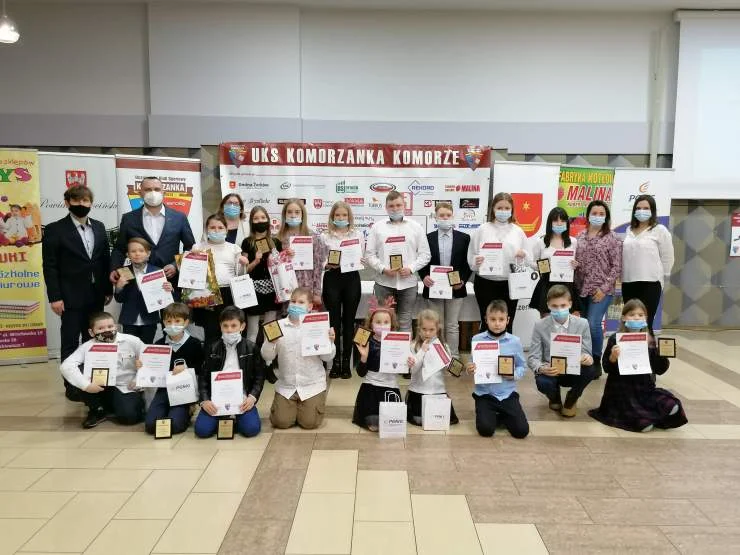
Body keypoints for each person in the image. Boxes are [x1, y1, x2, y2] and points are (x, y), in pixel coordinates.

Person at [589, 299, 687, 433]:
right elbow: (606, 367)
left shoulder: (650, 340)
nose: (636, 318)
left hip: (644, 390)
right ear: (624, 318)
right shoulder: (615, 338)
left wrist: (663, 354)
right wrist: (613, 357)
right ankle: (647, 417)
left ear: (645, 318)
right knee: (644, 426)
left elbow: (660, 370)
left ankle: (648, 415)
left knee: (673, 406)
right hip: (621, 392)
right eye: (632, 315)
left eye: (640, 315)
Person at [42, 186, 113, 365]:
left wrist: (108, 289)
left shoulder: (99, 226)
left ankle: (93, 376)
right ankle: (71, 380)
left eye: (85, 200)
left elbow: (105, 260)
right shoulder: (54, 229)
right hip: (69, 297)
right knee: (70, 341)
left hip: (96, 295)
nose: (81, 204)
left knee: (95, 339)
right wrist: (55, 297)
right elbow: (50, 266)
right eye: (76, 200)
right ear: (67, 203)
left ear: (90, 203)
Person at [261, 287, 336, 430]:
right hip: (287, 386)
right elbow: (267, 356)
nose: (295, 305)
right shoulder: (277, 326)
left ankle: (304, 408)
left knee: (309, 423)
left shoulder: (318, 326)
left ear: (310, 306)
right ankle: (291, 408)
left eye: (301, 302)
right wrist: (270, 343)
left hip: (312, 385)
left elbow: (327, 358)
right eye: (293, 301)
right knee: (281, 422)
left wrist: (330, 343)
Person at [60, 312, 144, 429]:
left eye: (110, 326)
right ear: (91, 332)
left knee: (129, 417)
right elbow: (66, 366)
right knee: (78, 372)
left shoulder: (132, 341)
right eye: (101, 328)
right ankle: (97, 409)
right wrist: (86, 386)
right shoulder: (88, 346)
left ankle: (111, 406)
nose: (107, 330)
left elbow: (148, 361)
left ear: (116, 327)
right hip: (98, 386)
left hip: (125, 387)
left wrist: (138, 379)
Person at [110, 176, 195, 288]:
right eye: (148, 189)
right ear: (140, 193)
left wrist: (176, 265)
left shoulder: (179, 217)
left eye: (157, 189)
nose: (153, 193)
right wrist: (114, 268)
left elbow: (190, 248)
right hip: (138, 283)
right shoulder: (129, 219)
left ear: (163, 193)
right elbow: (119, 249)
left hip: (170, 282)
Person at [365, 191, 431, 332]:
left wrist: (411, 269)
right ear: (386, 207)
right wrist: (383, 269)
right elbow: (369, 255)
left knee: (405, 321)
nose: (395, 209)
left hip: (408, 284)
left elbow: (425, 255)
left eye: (398, 205)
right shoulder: (377, 228)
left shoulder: (416, 227)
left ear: (404, 205)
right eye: (391, 206)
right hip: (384, 283)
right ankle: (383, 347)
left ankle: (404, 347)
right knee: (384, 322)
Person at [194, 306, 264, 438]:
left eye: (233, 325)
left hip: (242, 399)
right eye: (225, 326)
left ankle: (236, 420)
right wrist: (205, 400)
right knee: (202, 431)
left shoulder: (251, 348)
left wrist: (252, 397)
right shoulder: (212, 348)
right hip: (216, 399)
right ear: (220, 326)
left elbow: (259, 376)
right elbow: (203, 377)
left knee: (251, 429)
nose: (229, 330)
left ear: (242, 326)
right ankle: (222, 419)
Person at [527, 285, 596, 417]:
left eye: (563, 305)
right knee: (542, 382)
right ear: (548, 305)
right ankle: (554, 397)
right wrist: (541, 368)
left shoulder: (583, 323)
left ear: (570, 304)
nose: (559, 309)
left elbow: (587, 352)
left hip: (574, 369)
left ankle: (572, 398)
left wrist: (587, 358)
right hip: (552, 370)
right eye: (554, 306)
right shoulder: (539, 325)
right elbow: (532, 358)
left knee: (591, 370)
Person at [465, 300, 529, 438]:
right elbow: (472, 362)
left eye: (501, 319)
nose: (497, 323)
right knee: (485, 430)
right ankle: (489, 414)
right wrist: (469, 368)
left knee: (522, 431)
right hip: (485, 394)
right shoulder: (477, 339)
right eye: (493, 319)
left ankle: (502, 416)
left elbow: (522, 366)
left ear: (508, 320)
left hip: (507, 393)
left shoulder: (515, 341)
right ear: (486, 320)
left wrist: (513, 375)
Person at [468, 192, 530, 333]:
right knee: (487, 322)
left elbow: (529, 258)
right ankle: (486, 348)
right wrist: (476, 261)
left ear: (512, 210)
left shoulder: (518, 231)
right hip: (485, 283)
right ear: (493, 209)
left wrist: (523, 254)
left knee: (507, 322)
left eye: (507, 208)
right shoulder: (482, 229)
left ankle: (507, 348)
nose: (503, 211)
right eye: (499, 208)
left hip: (510, 283)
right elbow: (471, 256)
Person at [418, 201, 471, 357]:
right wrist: (424, 276)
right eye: (441, 215)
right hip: (434, 287)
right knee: (435, 325)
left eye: (448, 215)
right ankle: (435, 357)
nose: (445, 218)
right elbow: (421, 260)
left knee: (452, 325)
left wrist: (463, 280)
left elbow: (468, 263)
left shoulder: (464, 238)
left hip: (456, 287)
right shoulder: (427, 238)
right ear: (435, 217)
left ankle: (453, 357)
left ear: (453, 217)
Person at [574, 200, 622, 377]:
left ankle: (596, 360)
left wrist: (604, 288)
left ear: (606, 217)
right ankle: (585, 360)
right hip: (581, 289)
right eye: (594, 213)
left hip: (602, 290)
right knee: (583, 326)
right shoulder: (579, 236)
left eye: (601, 214)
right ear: (588, 215)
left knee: (593, 323)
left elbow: (617, 266)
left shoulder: (613, 238)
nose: (597, 216)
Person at [144, 303, 204, 436]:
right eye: (169, 321)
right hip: (163, 390)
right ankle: (165, 410)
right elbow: (152, 370)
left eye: (177, 321)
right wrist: (143, 366)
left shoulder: (194, 343)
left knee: (175, 425)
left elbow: (201, 367)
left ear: (186, 322)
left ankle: (188, 409)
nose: (172, 325)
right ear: (163, 322)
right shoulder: (159, 344)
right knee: (151, 425)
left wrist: (186, 367)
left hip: (183, 390)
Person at [190, 214, 248, 346]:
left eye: (220, 227)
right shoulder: (198, 247)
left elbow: (239, 274)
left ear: (226, 229)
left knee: (230, 329)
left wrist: (243, 264)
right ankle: (210, 358)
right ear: (206, 229)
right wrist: (192, 256)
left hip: (229, 292)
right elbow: (190, 272)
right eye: (212, 227)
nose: (216, 230)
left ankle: (232, 357)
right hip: (207, 292)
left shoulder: (234, 248)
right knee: (211, 330)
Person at [321, 201, 363, 378]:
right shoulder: (324, 236)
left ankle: (346, 362)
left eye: (344, 215)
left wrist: (360, 260)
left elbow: (361, 256)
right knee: (333, 322)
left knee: (349, 321)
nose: (340, 218)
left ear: (349, 217)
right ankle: (335, 362)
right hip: (332, 278)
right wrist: (327, 264)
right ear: (332, 217)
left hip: (351, 278)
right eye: (337, 215)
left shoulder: (357, 234)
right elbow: (320, 260)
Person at [620, 195, 675, 332]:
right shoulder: (628, 230)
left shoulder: (659, 230)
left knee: (645, 323)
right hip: (628, 282)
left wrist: (664, 276)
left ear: (652, 210)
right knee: (630, 323)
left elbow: (668, 256)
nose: (641, 211)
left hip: (650, 283)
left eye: (646, 208)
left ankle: (648, 346)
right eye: (638, 208)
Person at [352, 298, 402, 432]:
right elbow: (360, 373)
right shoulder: (365, 341)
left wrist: (407, 362)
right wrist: (364, 357)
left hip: (390, 386)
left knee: (391, 423)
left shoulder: (397, 342)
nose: (382, 325)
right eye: (378, 322)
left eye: (386, 322)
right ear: (371, 323)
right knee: (373, 423)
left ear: (391, 324)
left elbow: (403, 370)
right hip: (370, 387)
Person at [114, 237, 172, 344]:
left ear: (148, 254)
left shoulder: (157, 272)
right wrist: (118, 287)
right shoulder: (124, 272)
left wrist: (169, 290)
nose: (137, 254)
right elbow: (119, 299)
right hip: (129, 320)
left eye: (141, 251)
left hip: (149, 320)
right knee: (130, 349)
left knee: (146, 348)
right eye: (133, 251)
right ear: (128, 255)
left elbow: (164, 301)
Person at [406, 309, 459, 426]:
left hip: (437, 391)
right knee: (419, 420)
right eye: (424, 329)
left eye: (431, 330)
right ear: (419, 329)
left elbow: (451, 371)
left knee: (440, 420)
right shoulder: (413, 346)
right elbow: (413, 370)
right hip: (418, 391)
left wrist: (452, 369)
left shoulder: (444, 347)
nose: (427, 333)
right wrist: (422, 351)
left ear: (437, 329)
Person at [528, 207, 581, 317]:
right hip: (547, 284)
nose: (559, 223)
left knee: (571, 319)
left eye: (562, 220)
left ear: (567, 223)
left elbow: (576, 262)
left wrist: (575, 264)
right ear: (550, 222)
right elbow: (533, 264)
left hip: (567, 284)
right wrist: (546, 266)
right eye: (556, 220)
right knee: (546, 320)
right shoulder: (541, 242)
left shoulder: (573, 242)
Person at [241, 206, 282, 344]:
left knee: (271, 329)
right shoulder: (247, 242)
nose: (260, 221)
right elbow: (244, 271)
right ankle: (251, 356)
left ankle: (270, 356)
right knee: (253, 330)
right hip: (253, 291)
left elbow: (281, 268)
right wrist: (256, 261)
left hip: (272, 290)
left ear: (268, 220)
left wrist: (280, 258)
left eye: (263, 218)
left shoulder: (276, 242)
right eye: (256, 218)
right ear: (251, 222)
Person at [278, 198, 326, 307]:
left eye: (297, 212)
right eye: (289, 212)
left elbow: (318, 266)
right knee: (288, 316)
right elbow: (274, 265)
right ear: (284, 215)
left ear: (302, 214)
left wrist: (317, 292)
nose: (293, 215)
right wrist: (284, 255)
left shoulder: (313, 236)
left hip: (307, 286)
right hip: (286, 287)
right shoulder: (278, 238)